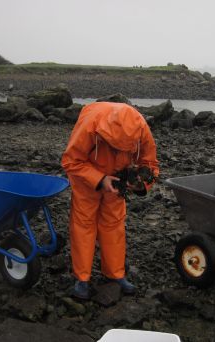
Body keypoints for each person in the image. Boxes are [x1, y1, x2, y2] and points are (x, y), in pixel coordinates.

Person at [61, 102, 159, 299]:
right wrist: (99, 179)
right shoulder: (89, 126)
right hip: (85, 176)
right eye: (115, 146)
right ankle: (82, 278)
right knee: (84, 223)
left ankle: (115, 274)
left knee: (113, 223)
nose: (120, 150)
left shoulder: (141, 128)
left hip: (118, 178)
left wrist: (142, 184)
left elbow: (150, 164)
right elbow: (71, 161)